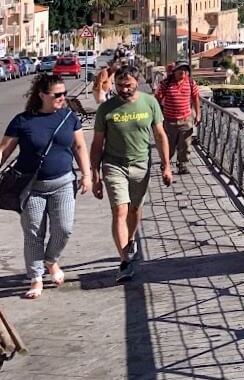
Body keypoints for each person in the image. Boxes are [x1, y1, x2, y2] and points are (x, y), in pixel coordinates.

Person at [0, 74, 90, 299]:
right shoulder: (23, 121)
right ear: (41, 95)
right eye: (57, 94)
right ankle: (36, 277)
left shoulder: (69, 117)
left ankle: (51, 261)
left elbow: (79, 147)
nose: (62, 98)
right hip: (31, 187)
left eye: (64, 94)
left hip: (63, 183)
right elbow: (5, 150)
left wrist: (87, 175)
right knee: (33, 234)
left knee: (64, 228)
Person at [90, 65, 171, 282]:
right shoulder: (106, 109)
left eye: (128, 86)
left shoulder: (150, 102)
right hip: (113, 164)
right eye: (119, 86)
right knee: (120, 210)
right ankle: (124, 261)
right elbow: (97, 144)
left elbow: (160, 135)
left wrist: (166, 166)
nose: (123, 90)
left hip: (141, 164)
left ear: (137, 82)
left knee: (135, 209)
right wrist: (95, 174)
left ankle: (131, 237)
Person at [154, 63, 200, 175]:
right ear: (174, 71)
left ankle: (182, 164)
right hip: (169, 120)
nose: (183, 72)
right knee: (169, 144)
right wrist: (157, 116)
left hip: (186, 119)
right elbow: (157, 99)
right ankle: (166, 163)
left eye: (185, 70)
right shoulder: (166, 83)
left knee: (185, 144)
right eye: (180, 70)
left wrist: (198, 114)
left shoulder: (190, 83)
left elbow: (196, 98)